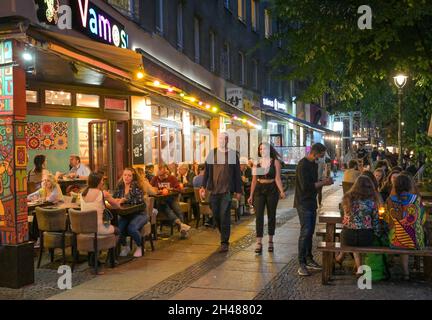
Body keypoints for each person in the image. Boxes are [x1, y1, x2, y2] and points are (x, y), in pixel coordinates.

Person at [294, 143, 334, 276]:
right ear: (315, 153)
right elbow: (306, 186)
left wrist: (323, 180)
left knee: (310, 231)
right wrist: (324, 183)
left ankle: (309, 258)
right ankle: (301, 263)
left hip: (311, 201)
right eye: (321, 155)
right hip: (303, 202)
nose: (322, 158)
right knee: (305, 232)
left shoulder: (314, 164)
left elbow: (314, 182)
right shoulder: (303, 165)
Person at [201, 132, 242, 253]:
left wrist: (238, 190)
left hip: (227, 191)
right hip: (213, 191)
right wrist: (203, 187)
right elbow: (207, 172)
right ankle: (223, 233)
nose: (221, 141)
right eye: (219, 138)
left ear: (227, 140)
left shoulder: (232, 154)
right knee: (217, 215)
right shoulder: (212, 153)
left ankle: (224, 242)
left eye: (224, 139)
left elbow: (237, 174)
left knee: (225, 216)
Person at [335, 175, 381, 275]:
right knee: (361, 238)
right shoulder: (372, 202)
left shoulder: (347, 199)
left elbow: (344, 218)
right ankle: (359, 268)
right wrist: (377, 235)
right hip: (366, 237)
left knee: (353, 238)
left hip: (347, 236)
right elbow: (376, 222)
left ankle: (356, 266)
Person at [384, 174, 426, 280]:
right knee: (407, 240)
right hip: (416, 240)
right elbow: (423, 218)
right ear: (409, 185)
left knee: (395, 236)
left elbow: (386, 219)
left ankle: (394, 266)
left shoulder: (390, 200)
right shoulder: (417, 199)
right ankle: (406, 273)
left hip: (395, 240)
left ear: (395, 185)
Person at [248, 142, 285, 254]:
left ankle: (270, 241)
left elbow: (277, 178)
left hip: (272, 189)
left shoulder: (275, 162)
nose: (262, 151)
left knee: (271, 215)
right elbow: (254, 180)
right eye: (260, 149)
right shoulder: (256, 163)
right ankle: (258, 242)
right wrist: (250, 195)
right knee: (258, 216)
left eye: (264, 149)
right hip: (259, 189)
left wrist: (282, 191)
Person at [112, 168, 148, 258]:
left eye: (129, 175)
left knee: (132, 228)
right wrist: (115, 200)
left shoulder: (136, 185)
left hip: (140, 214)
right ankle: (125, 246)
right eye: (125, 175)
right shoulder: (120, 186)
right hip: (125, 214)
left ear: (133, 177)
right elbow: (114, 197)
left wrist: (124, 200)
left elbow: (139, 200)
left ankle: (140, 246)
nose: (126, 177)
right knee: (117, 229)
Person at [150, 164, 191, 237]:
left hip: (171, 198)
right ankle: (182, 226)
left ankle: (182, 231)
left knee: (177, 210)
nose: (160, 178)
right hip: (160, 201)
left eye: (162, 175)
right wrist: (156, 190)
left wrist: (171, 189)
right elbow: (150, 189)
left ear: (166, 173)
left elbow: (180, 190)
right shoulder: (155, 178)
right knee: (166, 208)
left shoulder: (172, 178)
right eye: (159, 175)